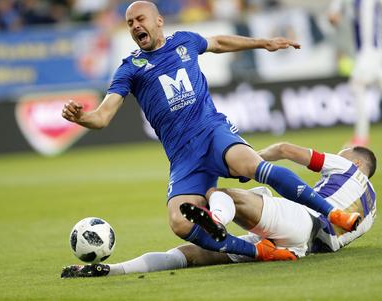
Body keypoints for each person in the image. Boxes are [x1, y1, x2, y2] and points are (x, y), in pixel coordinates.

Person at [62, 1, 360, 261]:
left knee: (251, 164)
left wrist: (262, 43)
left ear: (158, 21)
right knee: (179, 222)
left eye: (140, 19)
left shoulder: (185, 41)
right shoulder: (130, 68)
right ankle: (258, 251)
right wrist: (82, 117)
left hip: (212, 131)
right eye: (129, 23)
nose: (135, 26)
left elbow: (218, 42)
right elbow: (102, 117)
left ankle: (333, 214)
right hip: (183, 157)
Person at [61, 143, 377, 278]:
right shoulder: (372, 212)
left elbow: (285, 150)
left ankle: (218, 220)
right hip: (303, 246)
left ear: (357, 162)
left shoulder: (349, 167)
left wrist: (245, 162)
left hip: (301, 223)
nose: (337, 155)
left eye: (343, 153)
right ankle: (112, 270)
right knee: (194, 254)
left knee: (218, 193)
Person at [329, 0, 382, 146]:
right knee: (359, 86)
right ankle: (361, 136)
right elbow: (333, 15)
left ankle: (361, 137)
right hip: (367, 53)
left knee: (357, 85)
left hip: (371, 51)